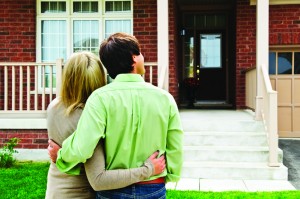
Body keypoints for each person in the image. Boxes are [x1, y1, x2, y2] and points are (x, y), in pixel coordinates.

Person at [54, 32, 184, 199]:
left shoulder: (99, 99)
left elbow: (82, 147)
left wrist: (62, 156)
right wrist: (171, 174)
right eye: (141, 53)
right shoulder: (165, 99)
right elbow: (175, 146)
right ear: (134, 58)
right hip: (153, 186)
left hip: (113, 191)